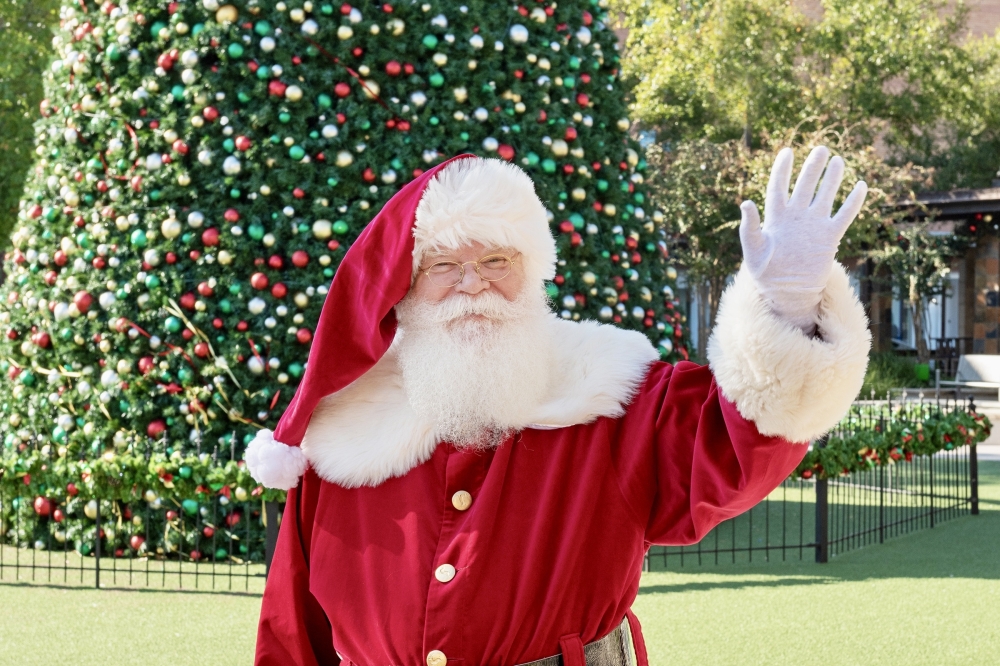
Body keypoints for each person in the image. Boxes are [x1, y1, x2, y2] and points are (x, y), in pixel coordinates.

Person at [247, 147, 871, 666]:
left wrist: (786, 309)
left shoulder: (616, 393)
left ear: (535, 270)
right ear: (405, 286)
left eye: (496, 260)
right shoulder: (341, 424)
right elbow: (293, 631)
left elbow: (732, 451)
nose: (472, 284)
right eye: (443, 264)